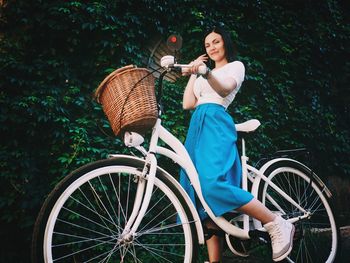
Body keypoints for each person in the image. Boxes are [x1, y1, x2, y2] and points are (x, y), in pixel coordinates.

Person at [179, 26, 295, 262]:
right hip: (197, 126)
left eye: (216, 42)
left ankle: (275, 222)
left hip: (216, 122)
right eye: (207, 45)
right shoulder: (203, 71)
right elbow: (188, 103)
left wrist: (205, 72)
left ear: (226, 43)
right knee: (198, 193)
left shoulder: (236, 67)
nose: (211, 47)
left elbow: (224, 88)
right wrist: (193, 71)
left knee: (212, 184)